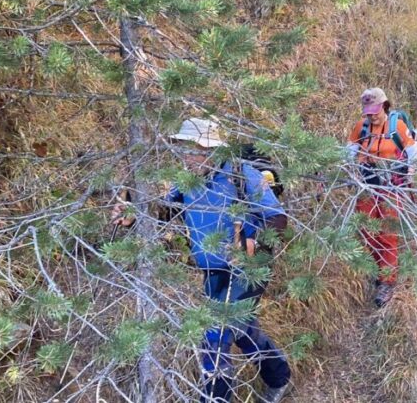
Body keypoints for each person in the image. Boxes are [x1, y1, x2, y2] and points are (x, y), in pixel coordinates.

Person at [113, 118, 290, 403]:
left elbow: (278, 217)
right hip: (212, 269)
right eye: (183, 149)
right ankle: (279, 377)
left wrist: (256, 245)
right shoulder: (188, 182)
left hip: (247, 269)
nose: (187, 156)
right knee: (243, 329)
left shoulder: (242, 176)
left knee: (215, 338)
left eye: (193, 149)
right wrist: (133, 216)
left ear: (212, 150)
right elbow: (165, 211)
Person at [345, 88, 417, 307]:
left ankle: (387, 281)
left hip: (391, 187)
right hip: (367, 186)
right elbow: (349, 150)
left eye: (376, 110)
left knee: (388, 234)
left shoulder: (397, 126)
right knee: (367, 230)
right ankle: (378, 270)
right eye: (368, 111)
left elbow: (412, 151)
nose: (372, 115)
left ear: (385, 106)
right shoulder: (362, 127)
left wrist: (410, 173)